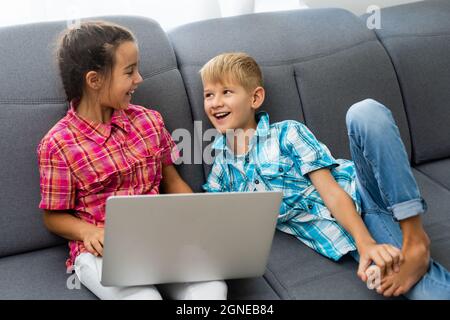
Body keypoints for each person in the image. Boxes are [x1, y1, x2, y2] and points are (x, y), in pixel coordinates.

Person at [201, 52, 450, 299]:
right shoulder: (222, 166)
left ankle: (415, 237)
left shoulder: (287, 133)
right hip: (351, 233)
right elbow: (206, 213)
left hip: (365, 192)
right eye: (209, 94)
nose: (215, 102)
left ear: (255, 98)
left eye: (227, 92)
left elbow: (331, 192)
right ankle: (409, 253)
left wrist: (366, 244)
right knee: (427, 293)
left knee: (364, 112)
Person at [37, 21, 227, 300]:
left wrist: (195, 219)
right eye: (129, 71)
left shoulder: (149, 120)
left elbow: (171, 179)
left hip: (160, 238)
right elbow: (52, 216)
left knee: (212, 287)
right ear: (94, 80)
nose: (139, 78)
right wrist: (87, 231)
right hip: (102, 251)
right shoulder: (58, 144)